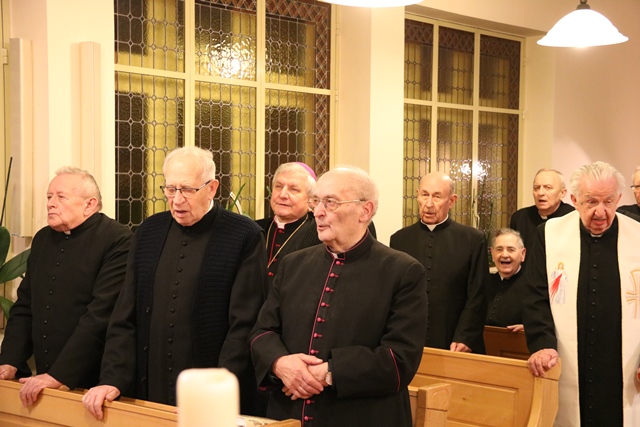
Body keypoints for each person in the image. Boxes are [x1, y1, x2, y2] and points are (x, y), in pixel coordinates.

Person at [82, 147, 268, 419]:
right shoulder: (148, 231)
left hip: (211, 392)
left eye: (188, 190)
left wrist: (214, 391)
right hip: (150, 386)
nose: (177, 200)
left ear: (212, 188)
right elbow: (125, 315)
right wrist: (113, 378)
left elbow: (244, 324)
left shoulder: (244, 235)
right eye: (170, 189)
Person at [250, 166, 428, 427]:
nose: (318, 212)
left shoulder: (403, 271)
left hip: (362, 417)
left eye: (330, 202)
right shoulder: (293, 264)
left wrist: (329, 372)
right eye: (316, 202)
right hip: (289, 415)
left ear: (365, 210)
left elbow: (399, 359)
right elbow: (262, 331)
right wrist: (280, 363)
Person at [0, 167, 132, 406]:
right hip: (45, 376)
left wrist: (59, 374)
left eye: (61, 197)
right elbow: (25, 306)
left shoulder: (117, 239)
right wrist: (9, 360)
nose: (51, 203)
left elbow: (100, 315)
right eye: (49, 196)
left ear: (90, 204)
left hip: (93, 378)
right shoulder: (43, 239)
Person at [522, 161, 640, 426]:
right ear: (574, 200)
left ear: (619, 198)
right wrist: (542, 344)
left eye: (608, 202)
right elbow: (535, 296)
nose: (601, 212)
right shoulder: (549, 234)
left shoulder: (638, 237)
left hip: (622, 363)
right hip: (569, 358)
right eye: (591, 202)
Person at [390, 171, 487, 353]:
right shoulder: (399, 240)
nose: (428, 204)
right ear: (417, 195)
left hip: (455, 340)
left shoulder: (472, 239)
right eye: (424, 195)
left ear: (451, 201)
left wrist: (465, 336)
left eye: (437, 197)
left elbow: (478, 295)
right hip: (410, 341)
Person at [255, 162, 321, 282]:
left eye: (293, 189)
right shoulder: (254, 229)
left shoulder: (319, 234)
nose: (282, 195)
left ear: (311, 200)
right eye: (278, 186)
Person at [509, 168, 574, 256]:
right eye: (536, 188)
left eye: (548, 187)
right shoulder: (520, 218)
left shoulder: (573, 217)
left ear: (562, 193)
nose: (540, 193)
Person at [485, 228, 526, 332]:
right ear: (492, 254)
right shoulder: (484, 282)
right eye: (499, 249)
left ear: (522, 254)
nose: (504, 255)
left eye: (511, 250)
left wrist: (529, 327)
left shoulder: (533, 285)